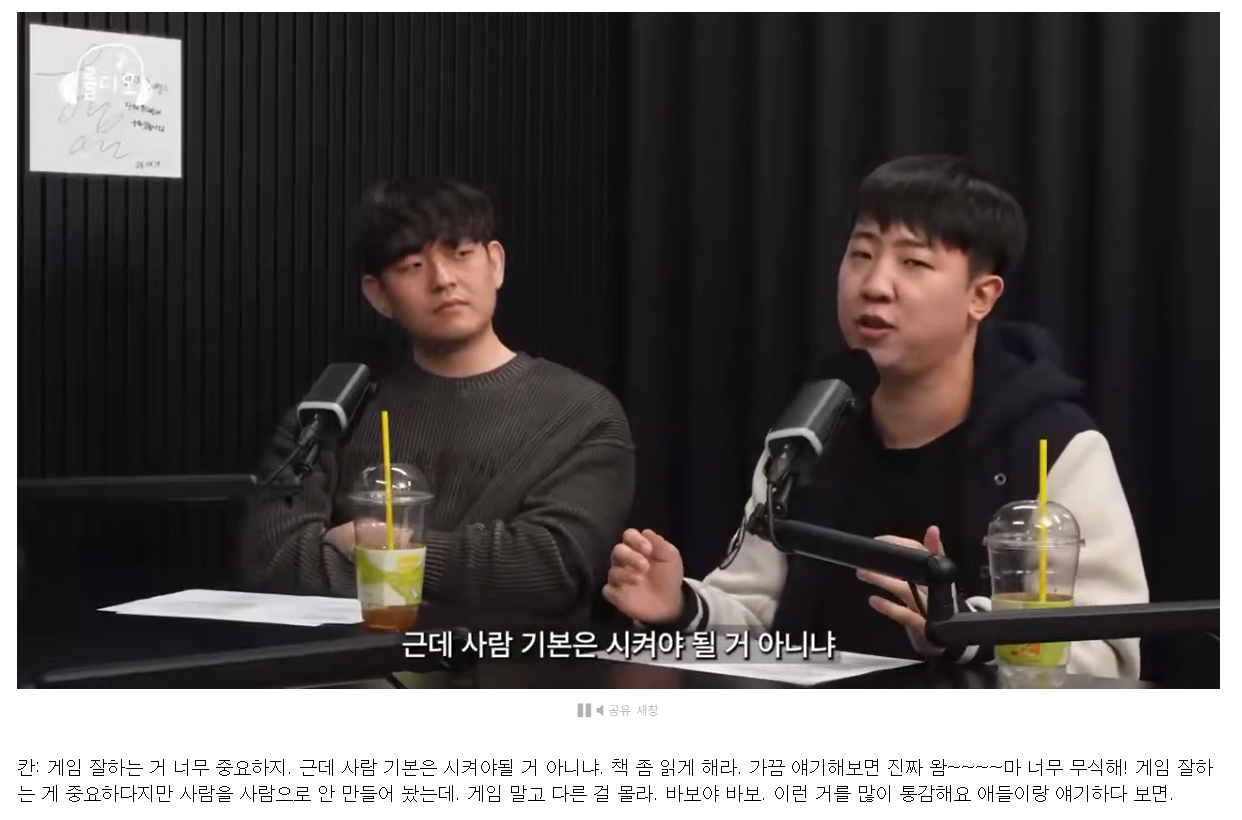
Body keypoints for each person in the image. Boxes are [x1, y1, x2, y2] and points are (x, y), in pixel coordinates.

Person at [602, 155, 1149, 678]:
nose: (874, 285)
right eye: (861, 254)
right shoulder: (807, 438)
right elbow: (758, 620)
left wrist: (963, 626)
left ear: (980, 296)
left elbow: (1108, 653)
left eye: (914, 263)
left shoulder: (1053, 446)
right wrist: (681, 606)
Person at [238, 177, 635, 619]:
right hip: (348, 659)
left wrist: (373, 543)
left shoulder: (581, 412)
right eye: (412, 265)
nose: (443, 280)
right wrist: (454, 576)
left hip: (508, 661)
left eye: (460, 254)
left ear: (496, 263)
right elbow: (271, 562)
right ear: (378, 295)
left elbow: (548, 571)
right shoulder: (331, 415)